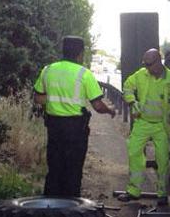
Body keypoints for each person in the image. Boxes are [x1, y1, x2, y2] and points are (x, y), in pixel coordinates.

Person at [34, 36, 115, 198]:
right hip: (75, 129)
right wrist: (110, 111)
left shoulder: (48, 70)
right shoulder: (84, 74)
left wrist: (53, 106)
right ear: (80, 53)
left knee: (55, 167)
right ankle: (70, 208)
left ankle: (50, 207)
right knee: (73, 169)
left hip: (54, 127)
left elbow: (39, 98)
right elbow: (98, 106)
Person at [119, 49, 170, 205]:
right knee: (134, 152)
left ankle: (162, 193)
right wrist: (131, 101)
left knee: (163, 160)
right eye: (145, 64)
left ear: (159, 60)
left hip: (163, 126)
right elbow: (127, 86)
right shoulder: (141, 74)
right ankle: (134, 191)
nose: (147, 68)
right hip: (143, 122)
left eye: (150, 64)